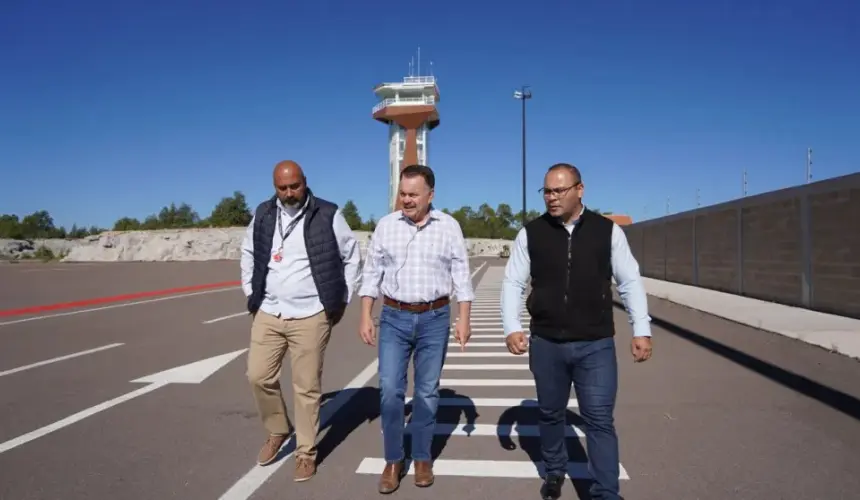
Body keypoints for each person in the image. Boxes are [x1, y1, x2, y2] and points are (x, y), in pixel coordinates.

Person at [500, 163, 653, 500]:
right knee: (550, 412)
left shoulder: (608, 232)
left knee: (598, 419)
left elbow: (629, 281)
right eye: (547, 192)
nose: (552, 198)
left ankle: (606, 493)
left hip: (595, 344)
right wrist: (511, 326)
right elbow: (513, 281)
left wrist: (641, 329)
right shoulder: (531, 233)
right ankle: (555, 470)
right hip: (547, 343)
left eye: (559, 191)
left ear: (579, 190)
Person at [240, 160, 361, 482]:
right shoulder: (264, 214)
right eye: (283, 188)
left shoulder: (328, 214)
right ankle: (278, 429)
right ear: (274, 187)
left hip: (311, 313)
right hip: (269, 310)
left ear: (305, 182)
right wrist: (251, 292)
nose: (289, 193)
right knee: (257, 375)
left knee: (306, 387)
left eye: (295, 186)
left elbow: (352, 257)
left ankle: (305, 453)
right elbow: (249, 253)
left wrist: (340, 299)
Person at [357, 164, 475, 494]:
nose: (406, 200)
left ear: (430, 195)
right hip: (394, 317)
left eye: (413, 194)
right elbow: (371, 275)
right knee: (391, 390)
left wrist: (464, 318)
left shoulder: (449, 227)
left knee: (426, 391)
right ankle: (393, 459)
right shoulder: (386, 226)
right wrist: (366, 314)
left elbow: (461, 277)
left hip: (435, 318)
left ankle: (422, 456)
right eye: (402, 193)